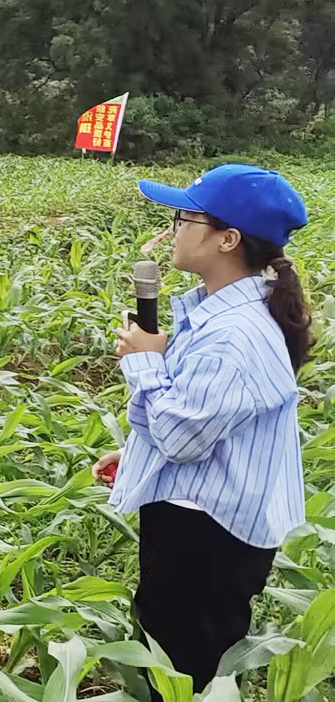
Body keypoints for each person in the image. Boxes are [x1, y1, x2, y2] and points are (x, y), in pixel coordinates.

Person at [93, 165, 308, 689]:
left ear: (227, 239)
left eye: (184, 218)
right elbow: (205, 420)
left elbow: (181, 437)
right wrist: (143, 458)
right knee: (175, 656)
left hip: (206, 537)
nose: (171, 230)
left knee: (184, 670)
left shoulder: (234, 336)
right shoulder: (225, 312)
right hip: (202, 517)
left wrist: (145, 362)